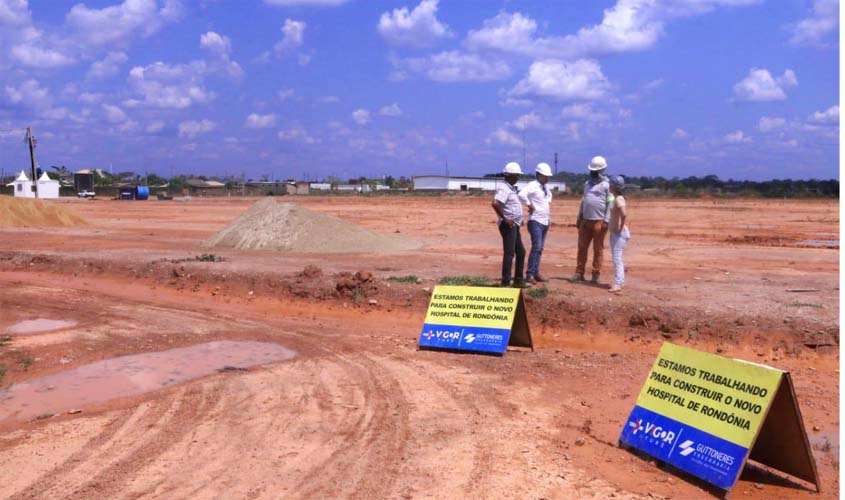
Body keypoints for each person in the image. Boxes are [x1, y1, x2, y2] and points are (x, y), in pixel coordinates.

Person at [573, 155, 612, 284]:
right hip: (585, 221)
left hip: (599, 222)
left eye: (596, 171)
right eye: (592, 170)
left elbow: (610, 203)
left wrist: (606, 221)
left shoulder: (607, 185)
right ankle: (579, 273)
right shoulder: (586, 184)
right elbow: (583, 200)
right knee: (582, 248)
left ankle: (595, 274)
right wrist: (579, 216)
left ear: (602, 171)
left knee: (598, 249)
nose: (593, 173)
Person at [492, 162, 531, 288]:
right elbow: (495, 203)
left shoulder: (510, 187)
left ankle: (518, 280)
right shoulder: (504, 188)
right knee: (509, 253)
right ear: (510, 175)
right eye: (516, 175)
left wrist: (518, 219)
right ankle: (506, 282)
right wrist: (505, 219)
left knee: (521, 252)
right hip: (508, 225)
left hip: (514, 224)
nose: (518, 178)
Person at [519, 162, 553, 284]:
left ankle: (535, 271)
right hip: (535, 221)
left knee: (540, 248)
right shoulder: (533, 185)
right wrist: (529, 205)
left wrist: (548, 218)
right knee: (536, 247)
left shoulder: (546, 188)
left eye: (548, 176)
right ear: (538, 174)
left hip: (544, 221)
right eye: (545, 176)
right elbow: (521, 194)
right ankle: (529, 274)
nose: (547, 178)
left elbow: (547, 203)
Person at [608, 175, 630, 293]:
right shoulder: (614, 197)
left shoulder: (619, 199)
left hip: (619, 234)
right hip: (616, 233)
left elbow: (624, 214)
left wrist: (620, 228)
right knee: (616, 258)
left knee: (617, 259)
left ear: (613, 186)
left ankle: (618, 283)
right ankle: (618, 281)